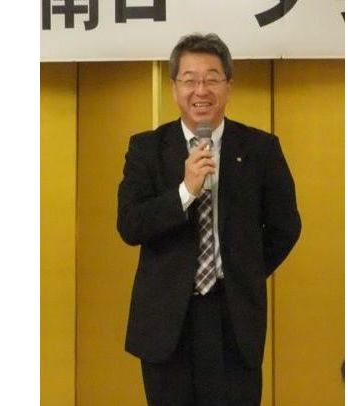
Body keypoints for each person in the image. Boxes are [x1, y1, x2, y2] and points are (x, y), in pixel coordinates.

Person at [117, 33, 301, 405]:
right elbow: (131, 225)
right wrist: (185, 191)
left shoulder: (260, 148)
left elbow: (285, 227)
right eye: (190, 80)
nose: (201, 90)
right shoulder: (147, 148)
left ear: (228, 86)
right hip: (167, 319)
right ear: (174, 87)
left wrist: (243, 271)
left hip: (234, 317)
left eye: (212, 79)